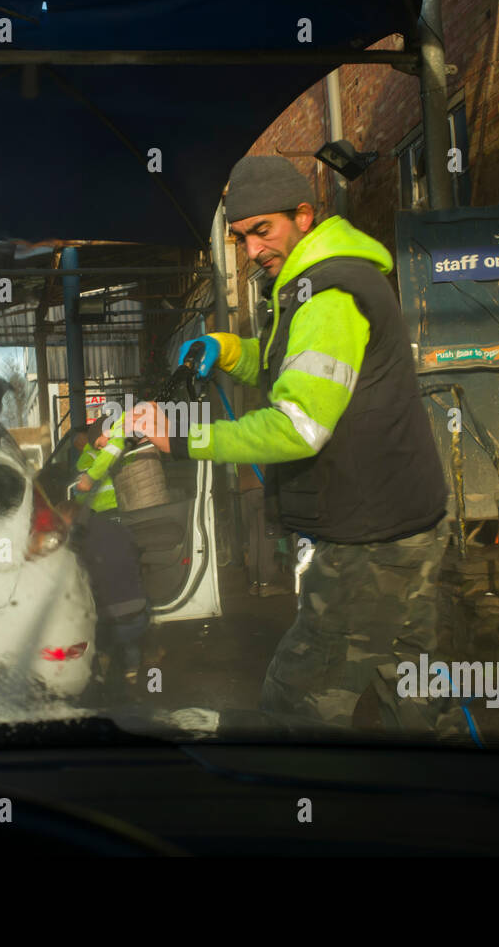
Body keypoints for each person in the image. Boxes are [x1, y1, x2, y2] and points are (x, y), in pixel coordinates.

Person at [134, 154, 463, 736]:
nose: (253, 250)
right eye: (241, 238)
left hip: (368, 539)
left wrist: (182, 439)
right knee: (411, 683)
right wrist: (230, 350)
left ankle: (301, 810)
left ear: (303, 216)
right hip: (402, 520)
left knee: (300, 700)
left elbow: (297, 426)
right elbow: (293, 369)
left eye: (264, 231)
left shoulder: (328, 297)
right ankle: (444, 803)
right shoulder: (314, 284)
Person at [68, 420, 149, 698]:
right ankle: (130, 667)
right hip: (108, 514)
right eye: (98, 441)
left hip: (108, 516)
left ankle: (107, 666)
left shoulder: (113, 445)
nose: (103, 444)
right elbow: (87, 484)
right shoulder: (98, 455)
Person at [239, 463, 288, 597]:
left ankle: (255, 583)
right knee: (266, 539)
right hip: (262, 491)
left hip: (245, 494)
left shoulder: (239, 444)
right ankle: (266, 584)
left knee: (254, 538)